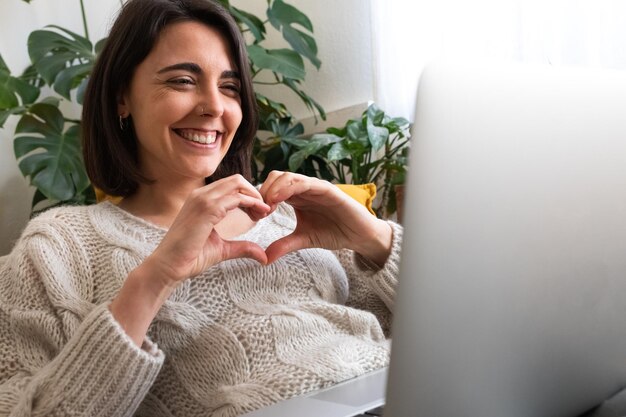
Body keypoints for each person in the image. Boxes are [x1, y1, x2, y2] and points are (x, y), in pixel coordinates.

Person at [0, 0, 402, 415]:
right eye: (182, 81)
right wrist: (154, 278)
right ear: (123, 97)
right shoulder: (59, 247)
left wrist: (375, 238)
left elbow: (453, 332)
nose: (214, 106)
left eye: (229, 87)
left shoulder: (292, 216)